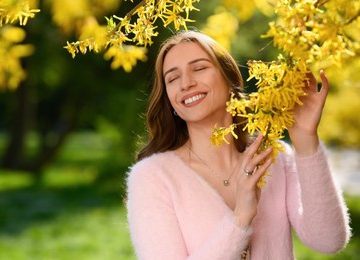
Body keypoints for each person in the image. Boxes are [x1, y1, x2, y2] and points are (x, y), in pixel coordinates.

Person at [125, 31, 351, 259]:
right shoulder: (153, 177)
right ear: (170, 100)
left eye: (200, 68)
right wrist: (240, 219)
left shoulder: (275, 157)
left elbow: (328, 240)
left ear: (229, 78)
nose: (186, 83)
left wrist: (305, 140)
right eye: (172, 78)